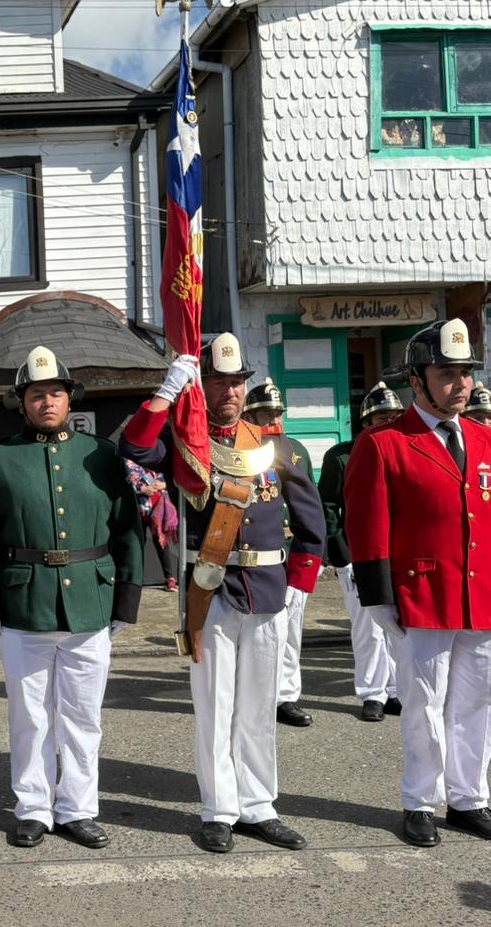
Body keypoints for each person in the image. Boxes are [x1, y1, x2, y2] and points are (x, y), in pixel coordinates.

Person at [120, 333, 324, 855]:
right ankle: (218, 810)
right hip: (208, 593)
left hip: (267, 591)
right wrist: (168, 392)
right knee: (215, 708)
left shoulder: (273, 445)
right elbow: (135, 447)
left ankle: (259, 807)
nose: (229, 391)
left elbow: (309, 519)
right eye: (217, 381)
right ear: (202, 386)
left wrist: (298, 584)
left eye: (236, 381)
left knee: (258, 707)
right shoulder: (186, 445)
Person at [0, 346, 143, 849]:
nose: (47, 401)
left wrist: (126, 599)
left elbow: (128, 529)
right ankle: (35, 808)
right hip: (23, 606)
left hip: (91, 601)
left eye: (56, 392)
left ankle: (78, 809)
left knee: (84, 718)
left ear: (70, 399)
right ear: (20, 402)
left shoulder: (101, 456)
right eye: (37, 393)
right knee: (30, 717)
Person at [345, 319, 491, 848]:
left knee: (476, 704)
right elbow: (366, 527)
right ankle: (420, 800)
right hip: (421, 596)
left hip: (480, 598)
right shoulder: (384, 444)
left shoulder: (484, 439)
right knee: (425, 706)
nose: (461, 384)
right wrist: (379, 598)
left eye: (466, 373)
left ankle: (469, 798)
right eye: (446, 373)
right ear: (417, 380)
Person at [319, 383, 403, 722]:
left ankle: (397, 690)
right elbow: (327, 503)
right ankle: (372, 694)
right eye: (381, 417)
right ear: (366, 422)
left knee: (400, 626)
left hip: (399, 553)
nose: (388, 422)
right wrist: (340, 551)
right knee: (367, 627)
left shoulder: (407, 450)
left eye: (394, 417)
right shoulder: (341, 456)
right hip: (359, 554)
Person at [242, 377, 315, 728]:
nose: (272, 419)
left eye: (276, 412)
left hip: (290, 552)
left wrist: (307, 564)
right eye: (264, 414)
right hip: (258, 553)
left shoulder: (295, 449)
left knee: (291, 632)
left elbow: (308, 506)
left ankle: (286, 695)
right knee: (255, 635)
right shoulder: (242, 449)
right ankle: (256, 695)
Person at [124, 459, 179, 591]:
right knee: (138, 545)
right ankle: (135, 579)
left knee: (162, 544)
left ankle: (170, 578)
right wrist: (142, 488)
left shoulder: (158, 458)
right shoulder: (128, 461)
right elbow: (125, 480)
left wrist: (163, 484)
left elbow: (171, 480)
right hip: (140, 509)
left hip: (158, 510)